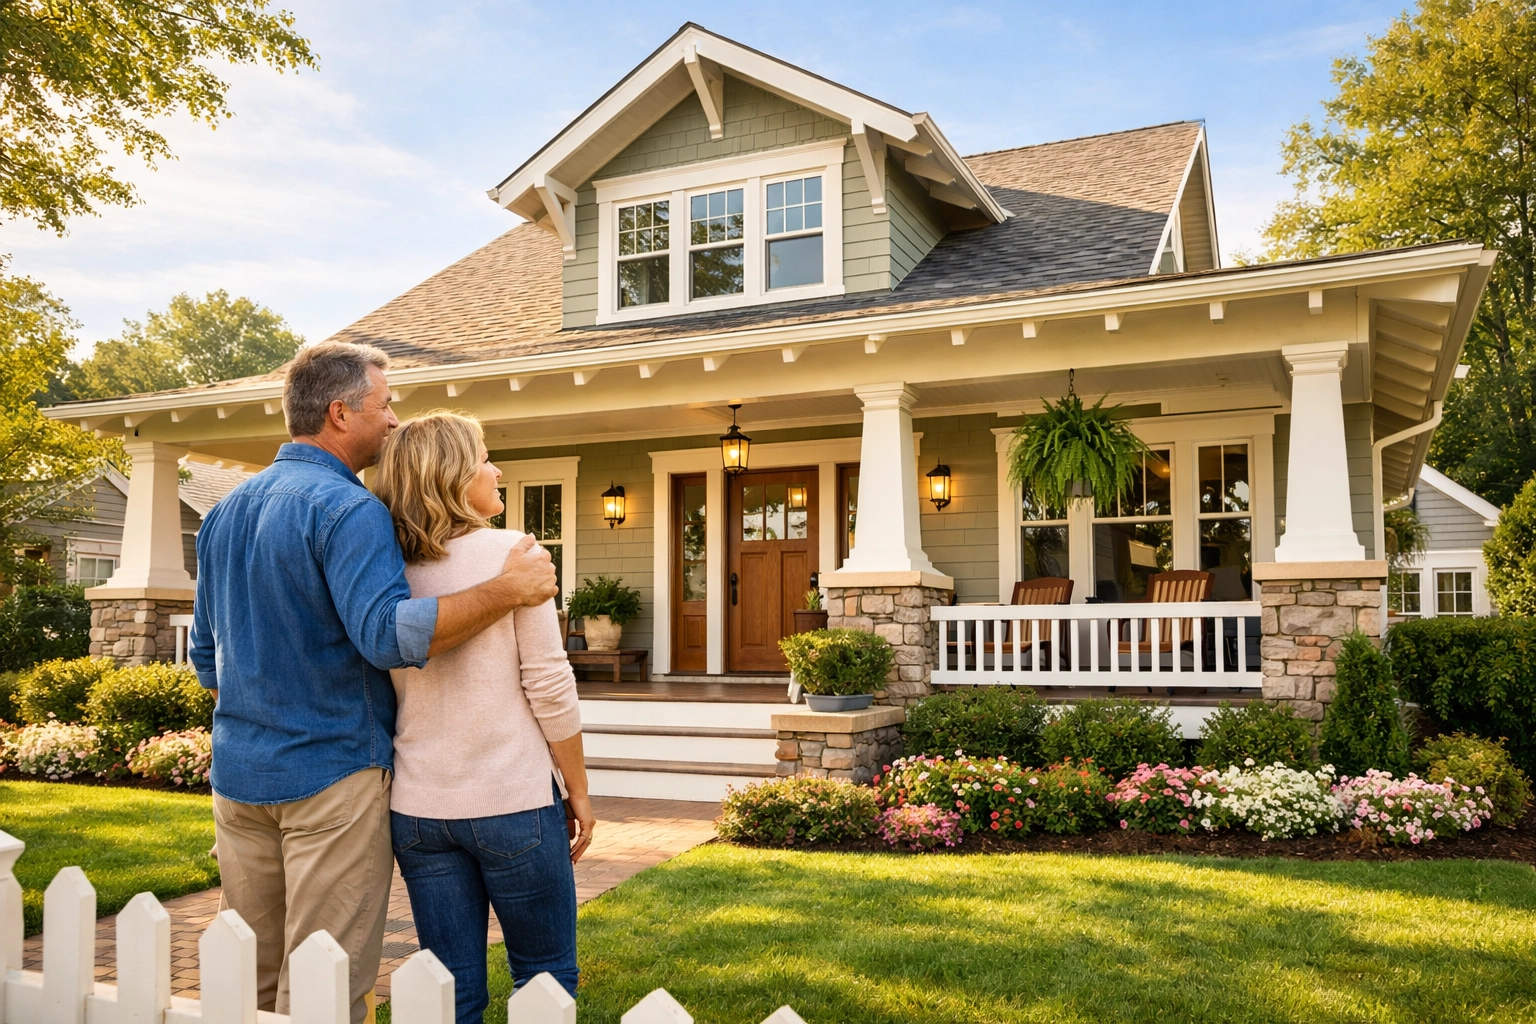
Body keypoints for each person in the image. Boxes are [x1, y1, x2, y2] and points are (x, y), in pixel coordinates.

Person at [188, 342, 558, 1024]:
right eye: (385, 406)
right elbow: (387, 637)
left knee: (248, 978)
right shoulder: (347, 508)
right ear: (339, 413)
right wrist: (507, 589)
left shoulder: (224, 515)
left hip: (238, 781)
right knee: (324, 981)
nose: (393, 422)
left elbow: (207, 658)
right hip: (332, 777)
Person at [373, 411, 592, 1020]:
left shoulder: (383, 571)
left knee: (450, 988)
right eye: (484, 457)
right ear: (449, 474)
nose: (497, 470)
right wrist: (577, 787)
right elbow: (548, 683)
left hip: (419, 812)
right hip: (512, 802)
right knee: (545, 978)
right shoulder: (515, 554)